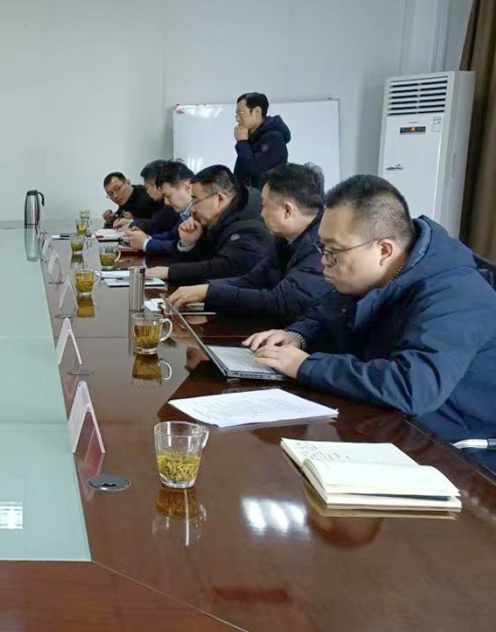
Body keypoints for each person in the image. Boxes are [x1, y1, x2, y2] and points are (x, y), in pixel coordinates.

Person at [245, 175, 496, 465]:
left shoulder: (455, 294)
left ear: (384, 250)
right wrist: (297, 336)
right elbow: (326, 312)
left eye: (333, 251)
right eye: (322, 248)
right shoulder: (379, 273)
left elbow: (413, 387)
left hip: (456, 453)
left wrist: (305, 366)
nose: (324, 261)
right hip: (387, 423)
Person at [167, 163, 332, 323]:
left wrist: (210, 293)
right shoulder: (283, 239)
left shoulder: (321, 247)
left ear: (287, 210)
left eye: (264, 205)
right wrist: (205, 289)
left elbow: (280, 302)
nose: (261, 213)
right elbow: (254, 280)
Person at [145, 165, 272, 284]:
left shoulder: (250, 227)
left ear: (219, 199)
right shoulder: (218, 219)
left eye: (196, 200)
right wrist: (188, 243)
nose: (193, 208)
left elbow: (224, 269)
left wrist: (170, 272)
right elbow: (202, 261)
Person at [124, 161, 194, 255]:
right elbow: (173, 236)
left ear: (187, 188)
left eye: (168, 196)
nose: (166, 202)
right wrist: (147, 238)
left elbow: (184, 249)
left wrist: (146, 243)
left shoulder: (200, 213)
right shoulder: (185, 212)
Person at [234, 92, 291, 189]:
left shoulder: (274, 138)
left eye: (240, 113)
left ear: (257, 111)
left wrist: (242, 143)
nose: (238, 119)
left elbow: (255, 170)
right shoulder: (251, 137)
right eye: (237, 114)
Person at [116, 160, 181, 237]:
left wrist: (132, 224)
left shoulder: (171, 203)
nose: (147, 192)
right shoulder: (160, 202)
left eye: (147, 188)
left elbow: (155, 225)